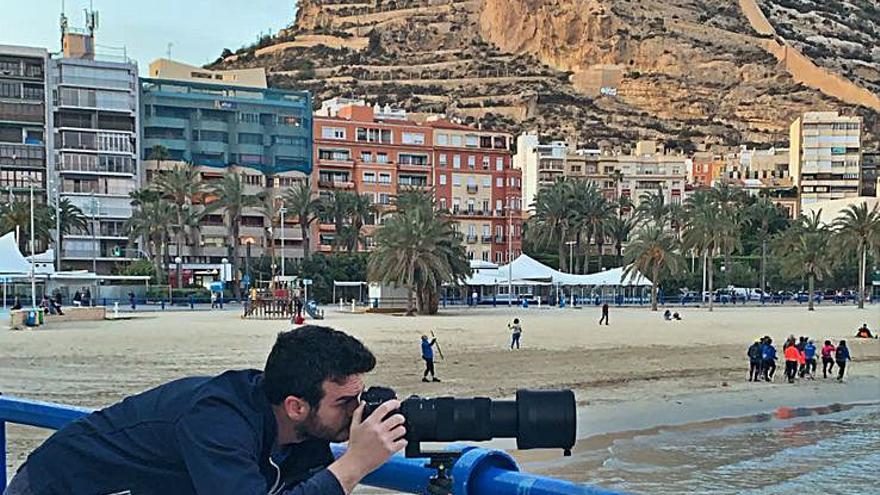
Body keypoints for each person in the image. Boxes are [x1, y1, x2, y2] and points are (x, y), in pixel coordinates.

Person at [4, 326, 405, 495]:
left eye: (361, 396)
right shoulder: (217, 420)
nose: (356, 411)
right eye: (345, 402)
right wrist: (354, 464)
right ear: (296, 406)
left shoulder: (299, 430)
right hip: (54, 488)